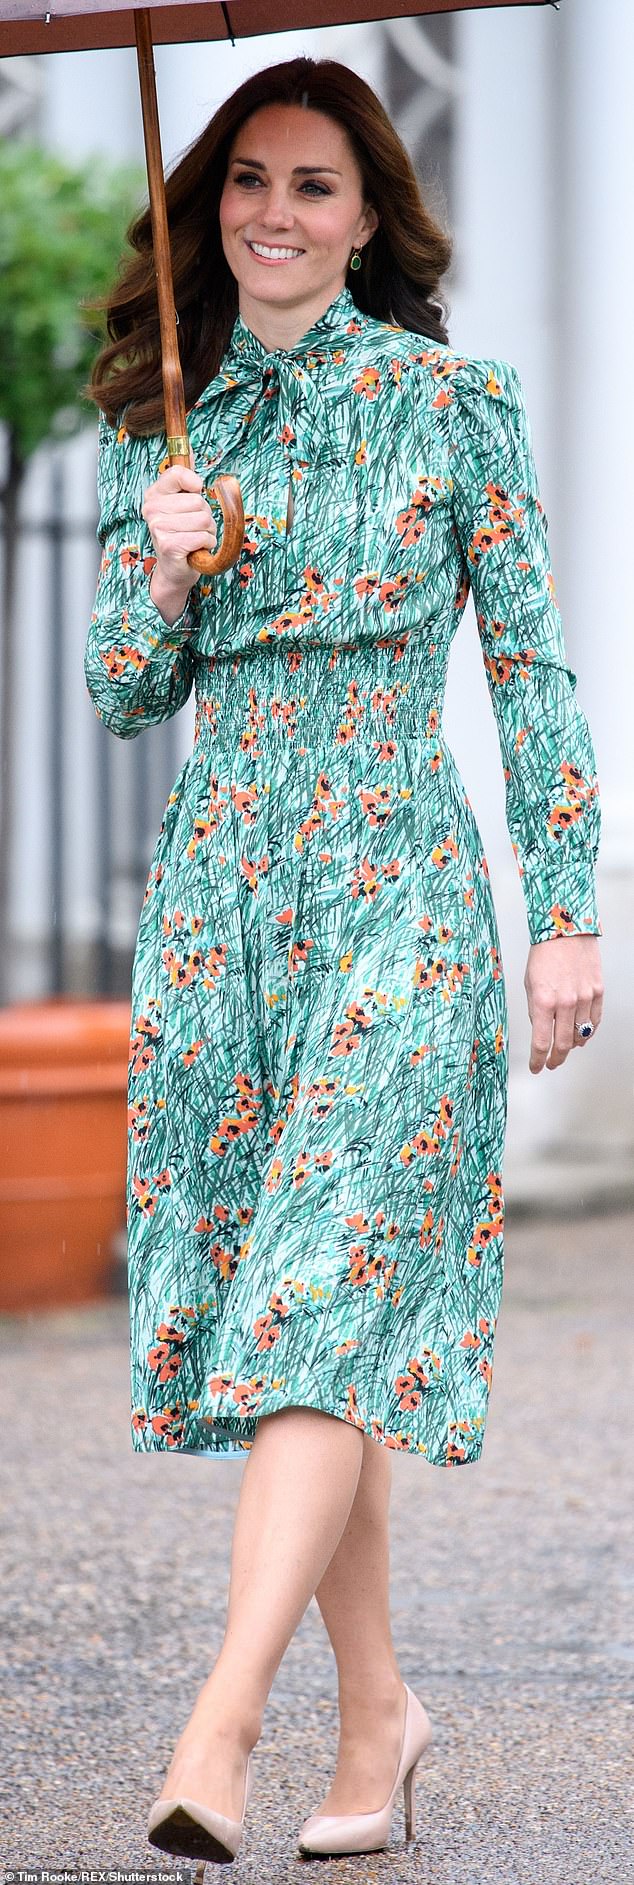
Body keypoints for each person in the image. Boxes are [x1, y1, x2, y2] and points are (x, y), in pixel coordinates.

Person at [84, 54, 604, 1866]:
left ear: (368, 216)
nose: (273, 215)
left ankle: (217, 1726)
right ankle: (378, 1713)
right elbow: (121, 692)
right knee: (318, 1315)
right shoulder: (168, 422)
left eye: (314, 186)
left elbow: (528, 665)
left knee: (317, 1299)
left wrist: (564, 907)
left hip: (392, 888)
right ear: (210, 205)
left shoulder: (454, 404)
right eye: (247, 182)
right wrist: (159, 576)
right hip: (225, 908)